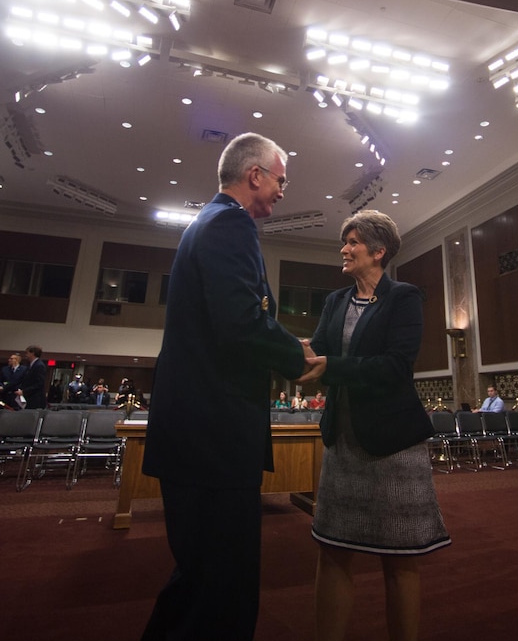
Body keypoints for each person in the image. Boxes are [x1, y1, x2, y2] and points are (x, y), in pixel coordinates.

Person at [141, 132, 319, 641]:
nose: (284, 190)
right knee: (224, 593)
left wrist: (285, 343)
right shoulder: (230, 226)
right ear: (255, 175)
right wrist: (295, 357)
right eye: (280, 179)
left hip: (198, 436)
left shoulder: (207, 222)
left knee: (199, 583)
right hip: (213, 439)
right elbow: (241, 324)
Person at [304, 210, 450, 641]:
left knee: (399, 558)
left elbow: (394, 366)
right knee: (331, 552)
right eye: (343, 242)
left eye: (352, 242)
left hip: (391, 446)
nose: (344, 250)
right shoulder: (334, 302)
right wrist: (295, 355)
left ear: (379, 251)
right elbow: (321, 356)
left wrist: (332, 365)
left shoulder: (404, 297)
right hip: (343, 443)